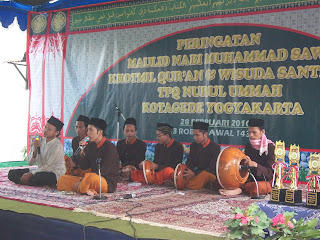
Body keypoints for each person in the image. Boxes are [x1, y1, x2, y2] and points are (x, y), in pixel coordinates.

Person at [57, 118, 120, 195]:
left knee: (90, 177)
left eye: (90, 130)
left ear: (100, 132)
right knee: (62, 179)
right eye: (87, 130)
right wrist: (82, 153)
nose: (88, 133)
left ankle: (82, 187)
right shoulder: (91, 145)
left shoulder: (110, 147)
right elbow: (84, 166)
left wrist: (85, 179)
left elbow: (104, 171)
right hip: (88, 179)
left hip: (105, 181)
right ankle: (86, 189)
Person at [219, 118, 275, 196]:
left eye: (254, 132)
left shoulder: (271, 148)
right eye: (249, 132)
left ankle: (240, 189)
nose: (251, 135)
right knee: (222, 180)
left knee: (258, 187)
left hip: (265, 180)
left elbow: (270, 174)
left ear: (262, 132)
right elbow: (246, 171)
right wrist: (245, 164)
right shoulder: (248, 146)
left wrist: (256, 165)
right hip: (250, 179)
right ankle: (240, 188)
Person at [8, 116, 65, 186]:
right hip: (39, 170)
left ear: (56, 132)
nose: (45, 130)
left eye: (49, 129)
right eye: (45, 127)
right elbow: (30, 162)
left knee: (39, 177)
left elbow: (49, 167)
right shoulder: (40, 141)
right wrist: (35, 149)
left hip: (53, 174)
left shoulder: (57, 146)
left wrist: (31, 174)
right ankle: (29, 181)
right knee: (12, 173)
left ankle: (27, 181)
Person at [184, 121, 221, 189]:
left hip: (209, 174)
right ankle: (186, 183)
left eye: (197, 135)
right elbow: (189, 163)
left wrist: (195, 173)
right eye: (194, 135)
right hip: (195, 174)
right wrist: (189, 172)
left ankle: (187, 185)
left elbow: (212, 168)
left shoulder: (215, 148)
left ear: (205, 134)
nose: (195, 138)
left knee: (204, 175)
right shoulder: (193, 146)